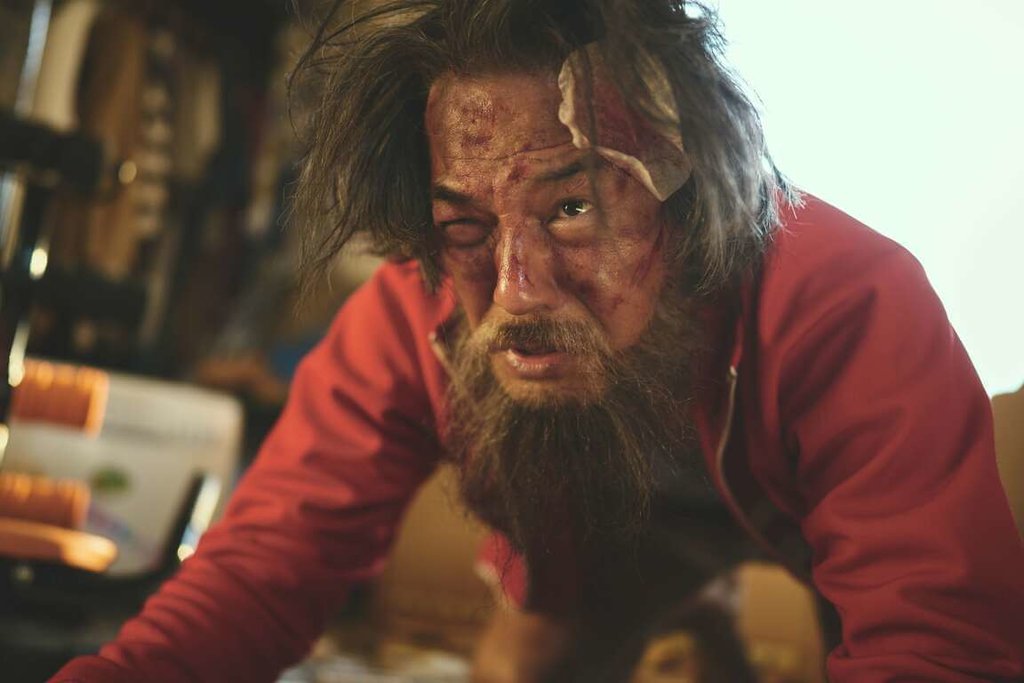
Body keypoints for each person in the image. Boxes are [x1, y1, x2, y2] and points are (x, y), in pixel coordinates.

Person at [53, 1, 1024, 681]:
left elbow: (937, 643)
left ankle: (715, 613)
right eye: (464, 224)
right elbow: (261, 570)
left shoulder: (848, 298)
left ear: (685, 191)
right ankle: (694, 607)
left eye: (572, 207)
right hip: (584, 536)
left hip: (801, 516)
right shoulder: (411, 311)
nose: (516, 292)